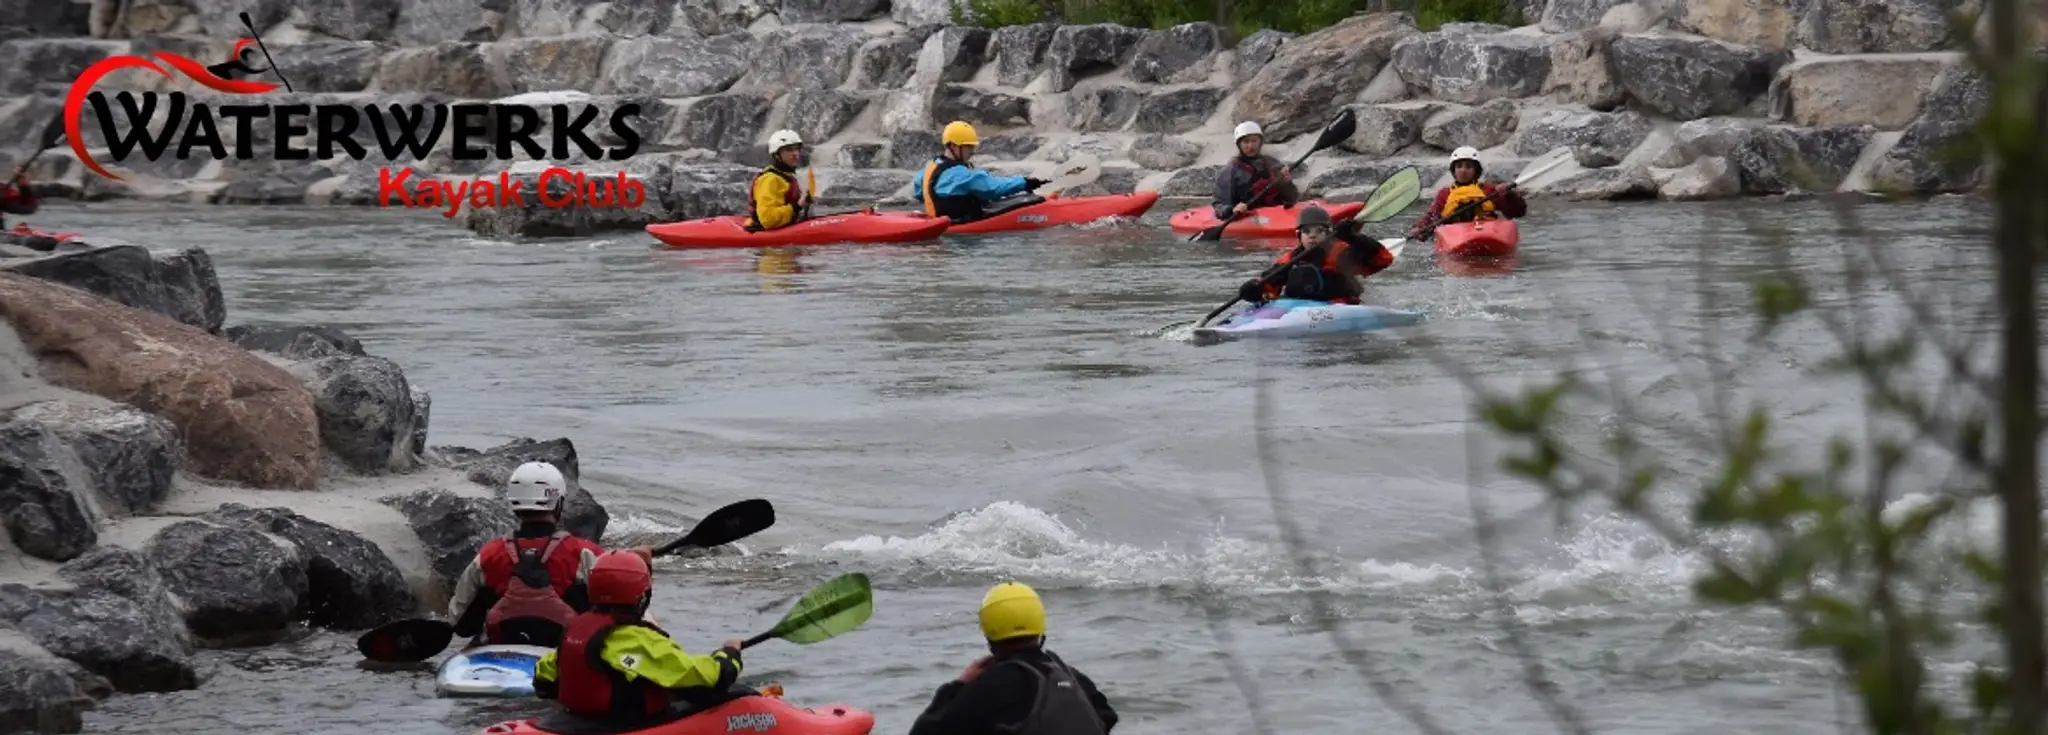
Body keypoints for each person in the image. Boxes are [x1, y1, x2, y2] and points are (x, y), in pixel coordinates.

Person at [446, 461, 652, 647]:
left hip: (501, 649)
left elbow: (461, 624)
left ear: (514, 504)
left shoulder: (488, 555)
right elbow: (626, 614)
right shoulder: (586, 553)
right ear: (558, 503)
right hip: (569, 652)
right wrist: (641, 566)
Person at [533, 551, 747, 726]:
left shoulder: (575, 630)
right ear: (642, 595)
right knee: (742, 696)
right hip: (620, 726)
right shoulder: (638, 640)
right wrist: (729, 654)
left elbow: (544, 679)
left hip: (573, 723)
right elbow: (707, 678)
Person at [907, 581, 1117, 735]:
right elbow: (1107, 716)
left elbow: (925, 732)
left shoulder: (991, 684)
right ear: (1039, 624)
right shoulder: (1070, 676)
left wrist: (959, 685)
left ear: (989, 633)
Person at [1236, 204, 1395, 306]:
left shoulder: (1341, 251)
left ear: (1328, 234)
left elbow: (1382, 260)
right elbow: (1270, 286)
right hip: (1298, 310)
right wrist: (1255, 291)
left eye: (1319, 231)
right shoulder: (1289, 259)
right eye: (1307, 231)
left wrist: (1354, 238)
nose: (1312, 236)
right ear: (1299, 235)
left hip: (1338, 308)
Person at [911, 120, 1048, 224]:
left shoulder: (929, 169)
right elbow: (994, 188)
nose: (972, 151)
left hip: (942, 222)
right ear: (953, 146)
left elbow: (918, 192)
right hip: (965, 224)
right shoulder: (963, 175)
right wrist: (1025, 183)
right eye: (968, 146)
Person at [1406, 146, 1528, 239]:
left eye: (1468, 166)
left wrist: (1509, 195)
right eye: (1459, 166)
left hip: (1487, 231)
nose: (1463, 170)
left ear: (1476, 171)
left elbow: (1518, 212)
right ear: (1454, 170)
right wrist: (1419, 228)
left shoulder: (1489, 190)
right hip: (1456, 235)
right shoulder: (1445, 194)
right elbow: (1432, 216)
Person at [1211, 121, 1299, 220]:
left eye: (1254, 141)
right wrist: (1231, 210)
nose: (1250, 146)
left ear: (1260, 142)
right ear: (1239, 144)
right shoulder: (1230, 172)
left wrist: (1286, 183)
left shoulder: (1273, 164)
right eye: (1246, 142)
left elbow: (1292, 198)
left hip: (1276, 215)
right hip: (1247, 218)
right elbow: (1219, 205)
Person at [746, 129, 811, 232]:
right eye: (789, 150)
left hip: (784, 225)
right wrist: (797, 206)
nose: (795, 154)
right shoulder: (770, 179)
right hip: (766, 230)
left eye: (796, 149)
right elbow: (768, 219)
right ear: (777, 155)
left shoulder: (787, 176)